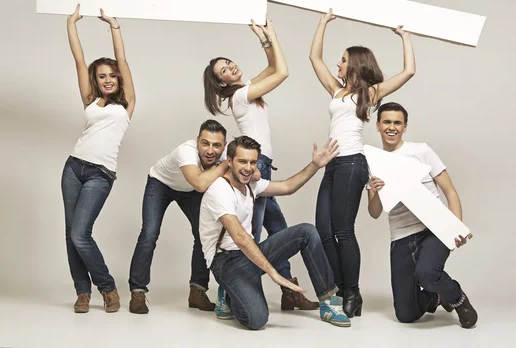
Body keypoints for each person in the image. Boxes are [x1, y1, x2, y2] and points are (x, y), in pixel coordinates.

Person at [203, 17, 317, 310]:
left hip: (262, 164)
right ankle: (229, 291)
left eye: (229, 63)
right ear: (221, 83)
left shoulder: (247, 87)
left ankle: (289, 293)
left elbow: (271, 66)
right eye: (224, 70)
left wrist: (264, 40)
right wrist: (273, 33)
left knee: (278, 228)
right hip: (256, 165)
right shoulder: (240, 95)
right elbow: (283, 72)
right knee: (252, 232)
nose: (231, 68)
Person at [309, 9, 416, 317]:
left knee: (343, 230)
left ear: (354, 63)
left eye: (342, 60)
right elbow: (314, 59)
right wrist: (321, 23)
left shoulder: (368, 93)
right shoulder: (336, 89)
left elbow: (408, 72)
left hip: (353, 164)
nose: (337, 64)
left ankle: (352, 295)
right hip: (332, 164)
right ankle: (341, 289)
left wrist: (405, 38)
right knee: (323, 230)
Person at [200, 136, 351, 329]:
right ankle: (228, 293)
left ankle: (329, 303)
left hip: (248, 254)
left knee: (307, 232)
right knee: (257, 320)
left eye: (252, 162)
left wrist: (315, 165)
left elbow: (288, 187)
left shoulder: (250, 184)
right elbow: (240, 238)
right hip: (226, 261)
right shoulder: (220, 190)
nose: (248, 168)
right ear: (229, 161)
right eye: (242, 161)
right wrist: (274, 273)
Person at [367, 102, 477, 328]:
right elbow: (374, 212)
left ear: (405, 127)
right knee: (406, 315)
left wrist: (455, 227)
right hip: (401, 236)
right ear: (378, 125)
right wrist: (375, 192)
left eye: (397, 123)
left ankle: (457, 298)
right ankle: (436, 296)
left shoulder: (421, 151)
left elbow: (450, 191)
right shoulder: (372, 161)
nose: (392, 127)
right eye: (386, 122)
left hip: (433, 228)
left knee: (427, 272)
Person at [62, 5, 136, 313]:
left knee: (81, 234)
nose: (107, 80)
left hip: (100, 174)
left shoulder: (127, 103)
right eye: (101, 76)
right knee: (71, 234)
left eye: (111, 76)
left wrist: (114, 27)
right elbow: (79, 59)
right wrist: (71, 24)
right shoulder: (90, 100)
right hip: (73, 167)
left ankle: (106, 286)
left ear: (118, 79)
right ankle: (82, 292)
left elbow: (123, 60)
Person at [128, 120, 229, 314]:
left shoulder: (225, 154)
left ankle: (197, 292)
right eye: (205, 143)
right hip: (161, 184)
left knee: (204, 234)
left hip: (189, 190)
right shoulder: (186, 151)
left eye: (216, 145)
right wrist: (226, 164)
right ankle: (138, 292)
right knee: (149, 233)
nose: (210, 150)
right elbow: (200, 184)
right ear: (197, 141)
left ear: (224, 146)